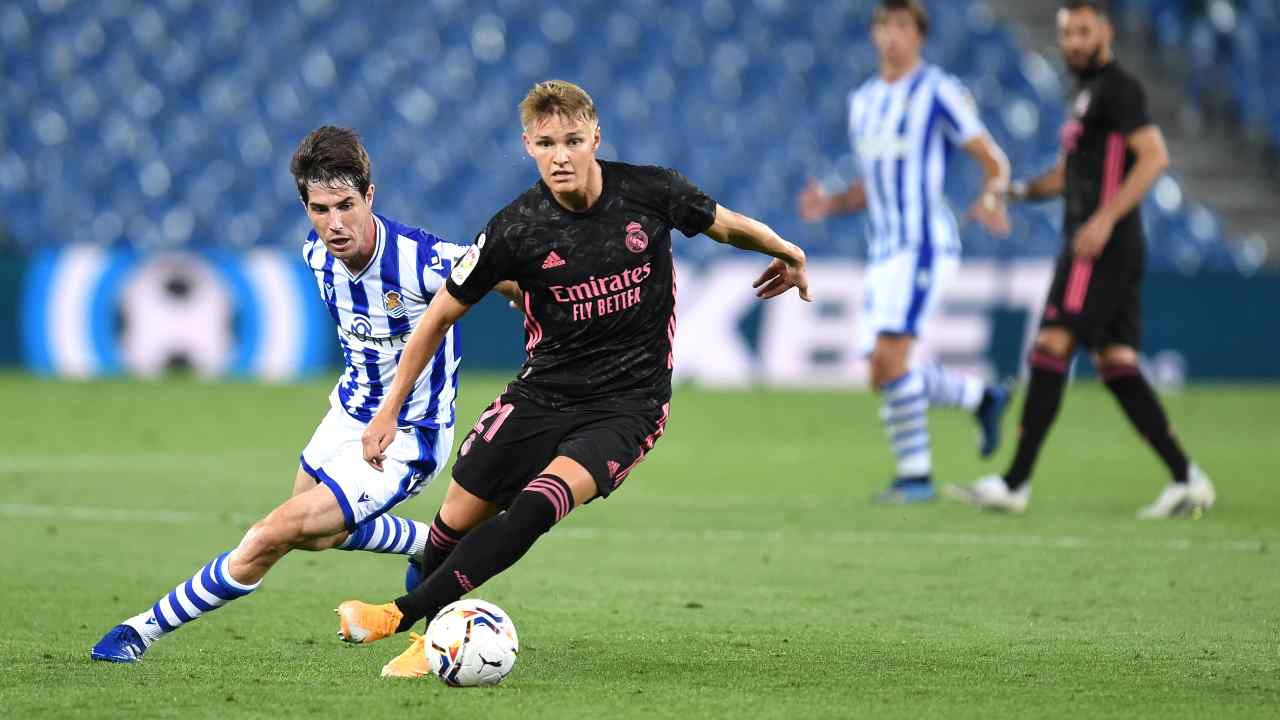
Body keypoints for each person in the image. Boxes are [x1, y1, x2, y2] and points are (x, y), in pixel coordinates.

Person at [332, 79, 811, 677]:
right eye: (546, 143)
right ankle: (431, 639)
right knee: (452, 524)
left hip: (627, 406)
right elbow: (435, 319)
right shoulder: (515, 230)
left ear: (596, 138)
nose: (561, 155)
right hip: (542, 392)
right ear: (528, 146)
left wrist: (786, 248)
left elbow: (725, 224)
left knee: (537, 507)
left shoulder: (652, 191)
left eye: (573, 140)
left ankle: (397, 617)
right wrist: (387, 414)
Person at [90, 126, 511, 662]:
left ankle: (140, 630)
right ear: (304, 206)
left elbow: (506, 276)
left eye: (346, 205)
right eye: (319, 208)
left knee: (274, 532)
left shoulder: (424, 260)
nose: (334, 223)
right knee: (314, 533)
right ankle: (429, 543)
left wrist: (540, 314)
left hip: (407, 435)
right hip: (346, 413)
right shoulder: (316, 254)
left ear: (370, 196)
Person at [945, 0, 1215, 517]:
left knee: (1050, 346)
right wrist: (1014, 192)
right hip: (1099, 244)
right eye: (1066, 32)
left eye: (1082, 32)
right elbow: (1069, 174)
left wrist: (1105, 218)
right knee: (1117, 364)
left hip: (1099, 247)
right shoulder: (1083, 95)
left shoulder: (1119, 88)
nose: (1072, 42)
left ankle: (1015, 482)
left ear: (1105, 32)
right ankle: (1188, 478)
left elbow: (1155, 156)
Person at [797, 0, 1014, 504]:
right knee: (880, 368)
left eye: (902, 26)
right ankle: (981, 396)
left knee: (892, 360)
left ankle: (915, 477)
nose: (891, 35)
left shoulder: (938, 92)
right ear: (874, 35)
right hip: (885, 250)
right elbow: (872, 184)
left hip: (923, 246)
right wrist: (830, 204)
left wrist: (990, 195)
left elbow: (993, 159)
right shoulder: (865, 100)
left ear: (918, 35)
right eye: (883, 26)